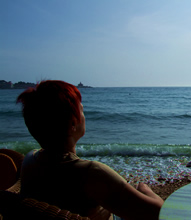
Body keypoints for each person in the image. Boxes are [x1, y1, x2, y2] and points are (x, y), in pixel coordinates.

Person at [17, 80, 164, 220]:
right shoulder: (90, 173)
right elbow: (160, 213)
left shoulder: (30, 159)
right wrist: (145, 189)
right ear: (73, 123)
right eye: (82, 109)